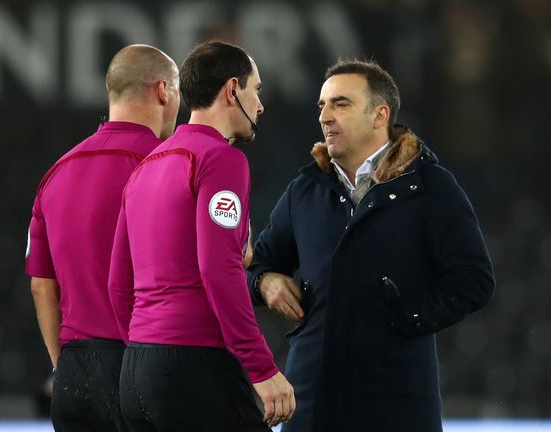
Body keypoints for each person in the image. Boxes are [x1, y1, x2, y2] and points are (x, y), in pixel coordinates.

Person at [246, 59, 494, 432]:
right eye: (322, 106)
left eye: (340, 104)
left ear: (380, 116)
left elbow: (474, 279)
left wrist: (406, 319)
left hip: (397, 401)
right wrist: (264, 282)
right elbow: (255, 264)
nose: (325, 116)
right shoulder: (305, 190)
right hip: (313, 400)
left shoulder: (430, 187)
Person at [108, 40, 295, 431]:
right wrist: (261, 368)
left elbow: (118, 283)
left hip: (136, 372)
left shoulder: (145, 167)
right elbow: (218, 268)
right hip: (195, 368)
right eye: (255, 90)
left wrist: (149, 351)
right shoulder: (220, 160)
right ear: (232, 90)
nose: (260, 105)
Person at [25, 44, 180, 432]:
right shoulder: (171, 165)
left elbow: (42, 286)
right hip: (146, 364)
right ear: (164, 91)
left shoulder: (56, 173)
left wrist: (64, 365)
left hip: (75, 370)